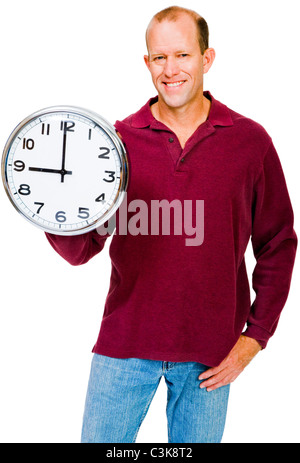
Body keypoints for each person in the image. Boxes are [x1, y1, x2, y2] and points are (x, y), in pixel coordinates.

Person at [45, 6, 297, 443]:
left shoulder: (250, 141)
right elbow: (80, 250)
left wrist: (255, 338)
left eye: (181, 55)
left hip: (211, 357)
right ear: (147, 63)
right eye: (159, 58)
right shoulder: (117, 142)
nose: (170, 69)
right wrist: (50, 204)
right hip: (124, 346)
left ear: (206, 57)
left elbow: (278, 242)